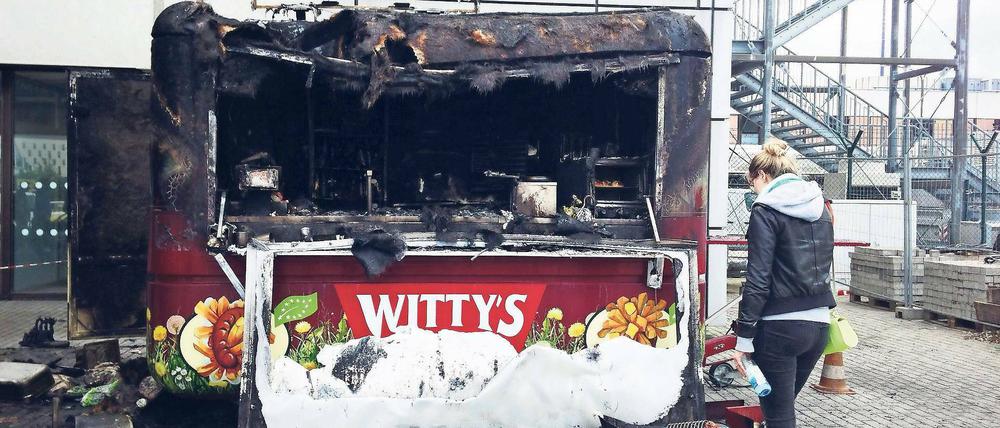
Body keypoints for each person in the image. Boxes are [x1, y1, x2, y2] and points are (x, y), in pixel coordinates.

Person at [733, 140, 836, 428]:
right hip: (819, 325)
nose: (753, 190)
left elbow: (758, 279)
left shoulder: (765, 209)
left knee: (778, 418)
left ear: (762, 176)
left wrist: (744, 338)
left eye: (752, 183)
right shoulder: (822, 206)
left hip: (779, 329)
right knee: (779, 412)